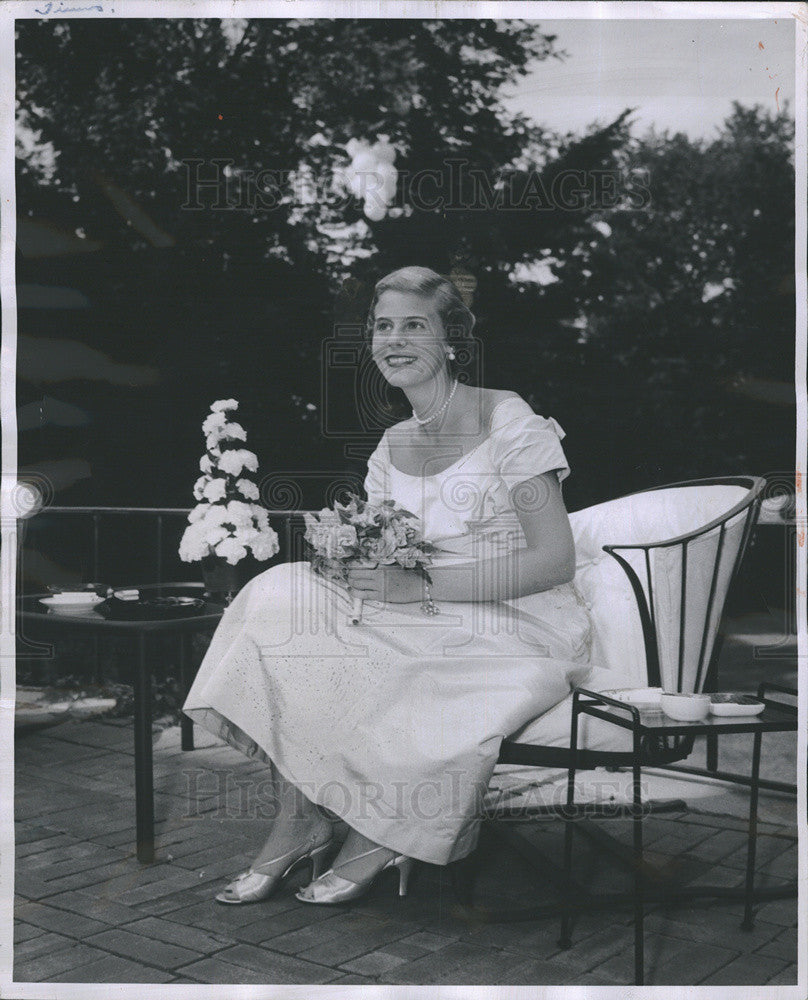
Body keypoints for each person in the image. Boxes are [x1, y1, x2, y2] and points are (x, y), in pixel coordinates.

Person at [182, 265, 593, 906]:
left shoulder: (506, 418)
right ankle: (303, 815)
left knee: (375, 659)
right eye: (383, 326)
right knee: (280, 598)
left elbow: (553, 561)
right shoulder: (393, 441)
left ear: (451, 338)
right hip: (416, 606)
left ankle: (384, 833)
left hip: (513, 616)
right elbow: (382, 543)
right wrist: (350, 563)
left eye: (414, 326)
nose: (394, 340)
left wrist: (418, 586)